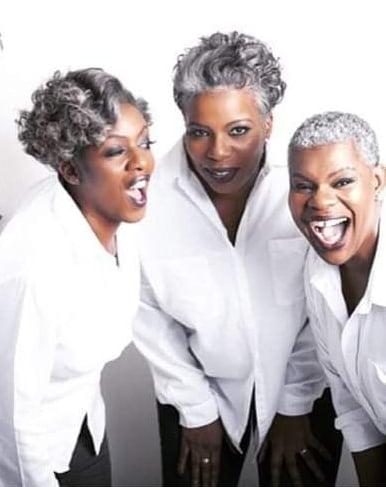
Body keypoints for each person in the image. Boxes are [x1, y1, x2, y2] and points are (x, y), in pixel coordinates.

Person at [133, 31, 342, 486]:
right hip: (193, 394)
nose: (218, 152)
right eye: (199, 132)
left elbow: (328, 296)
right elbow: (145, 309)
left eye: (239, 131)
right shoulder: (146, 196)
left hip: (306, 390)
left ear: (268, 124)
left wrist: (295, 401)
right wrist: (195, 410)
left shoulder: (306, 186)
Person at [0, 67, 155, 487]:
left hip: (75, 419)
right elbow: (11, 418)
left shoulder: (115, 208)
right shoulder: (32, 266)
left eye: (144, 142)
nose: (141, 161)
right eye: (116, 151)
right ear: (70, 170)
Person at [288, 111, 386, 486]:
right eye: (303, 185)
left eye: (342, 181)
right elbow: (354, 408)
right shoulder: (318, 271)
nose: (320, 201)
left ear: (377, 181)